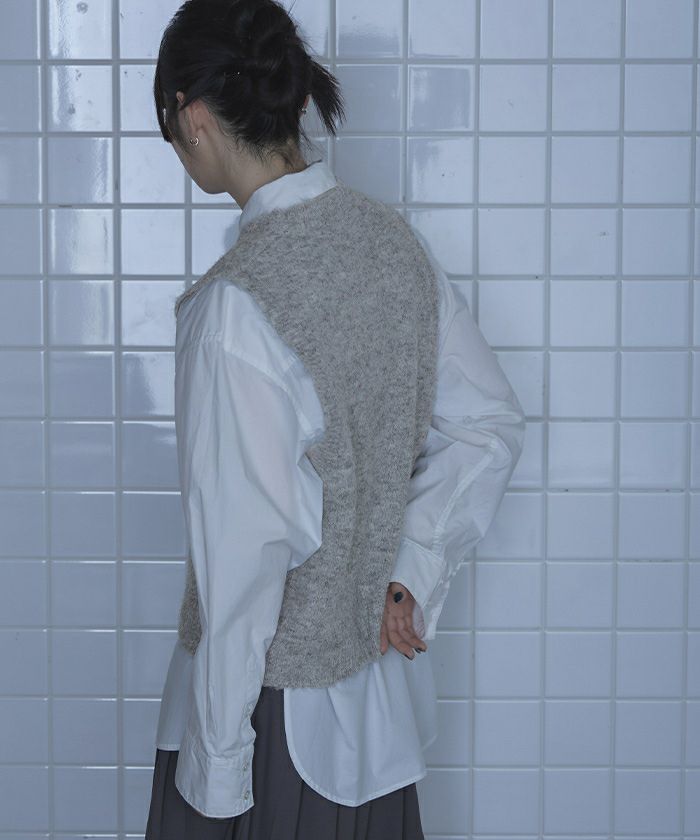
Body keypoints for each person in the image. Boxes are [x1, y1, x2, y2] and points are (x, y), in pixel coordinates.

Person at [145, 1, 526, 838]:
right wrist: (408, 572)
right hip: (374, 723)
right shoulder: (396, 249)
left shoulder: (234, 309)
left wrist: (216, 775)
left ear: (191, 113)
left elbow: (244, 569)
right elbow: (489, 424)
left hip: (266, 732)